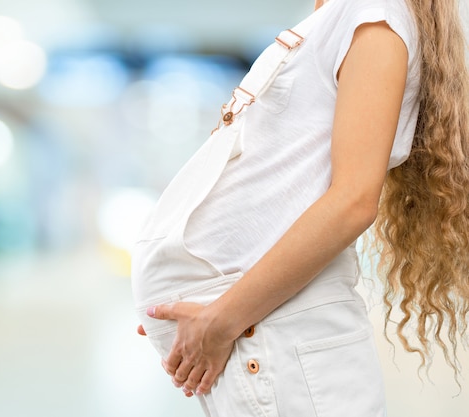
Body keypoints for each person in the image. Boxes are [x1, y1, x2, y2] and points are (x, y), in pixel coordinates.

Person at [131, 0, 469, 415]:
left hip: (268, 336)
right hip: (262, 338)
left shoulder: (373, 12)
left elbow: (353, 203)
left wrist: (221, 319)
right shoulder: (345, 16)